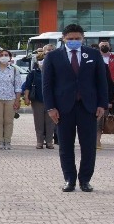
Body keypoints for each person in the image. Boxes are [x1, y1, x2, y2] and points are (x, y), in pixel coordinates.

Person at [42, 24, 108, 193]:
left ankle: (85, 180)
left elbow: (102, 82)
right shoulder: (53, 56)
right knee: (65, 146)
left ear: (83, 38)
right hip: (63, 108)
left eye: (77, 39)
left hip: (88, 107)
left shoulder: (93, 54)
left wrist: (102, 104)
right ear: (63, 39)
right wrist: (50, 108)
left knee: (88, 146)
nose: (73, 41)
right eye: (70, 39)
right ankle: (69, 179)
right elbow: (47, 85)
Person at [0, 49, 22, 150]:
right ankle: (0, 142)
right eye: (2, 55)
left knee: (9, 121)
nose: (4, 56)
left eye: (6, 55)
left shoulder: (14, 70)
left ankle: (7, 141)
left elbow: (18, 86)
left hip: (10, 98)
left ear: (10, 57)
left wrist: (17, 100)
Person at [23, 52, 55, 149]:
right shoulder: (33, 72)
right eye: (41, 59)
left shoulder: (53, 72)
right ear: (37, 61)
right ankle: (39, 141)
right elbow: (27, 86)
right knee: (39, 122)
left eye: (45, 59)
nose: (43, 61)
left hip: (51, 100)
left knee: (50, 122)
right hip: (37, 100)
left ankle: (49, 141)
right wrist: (26, 97)